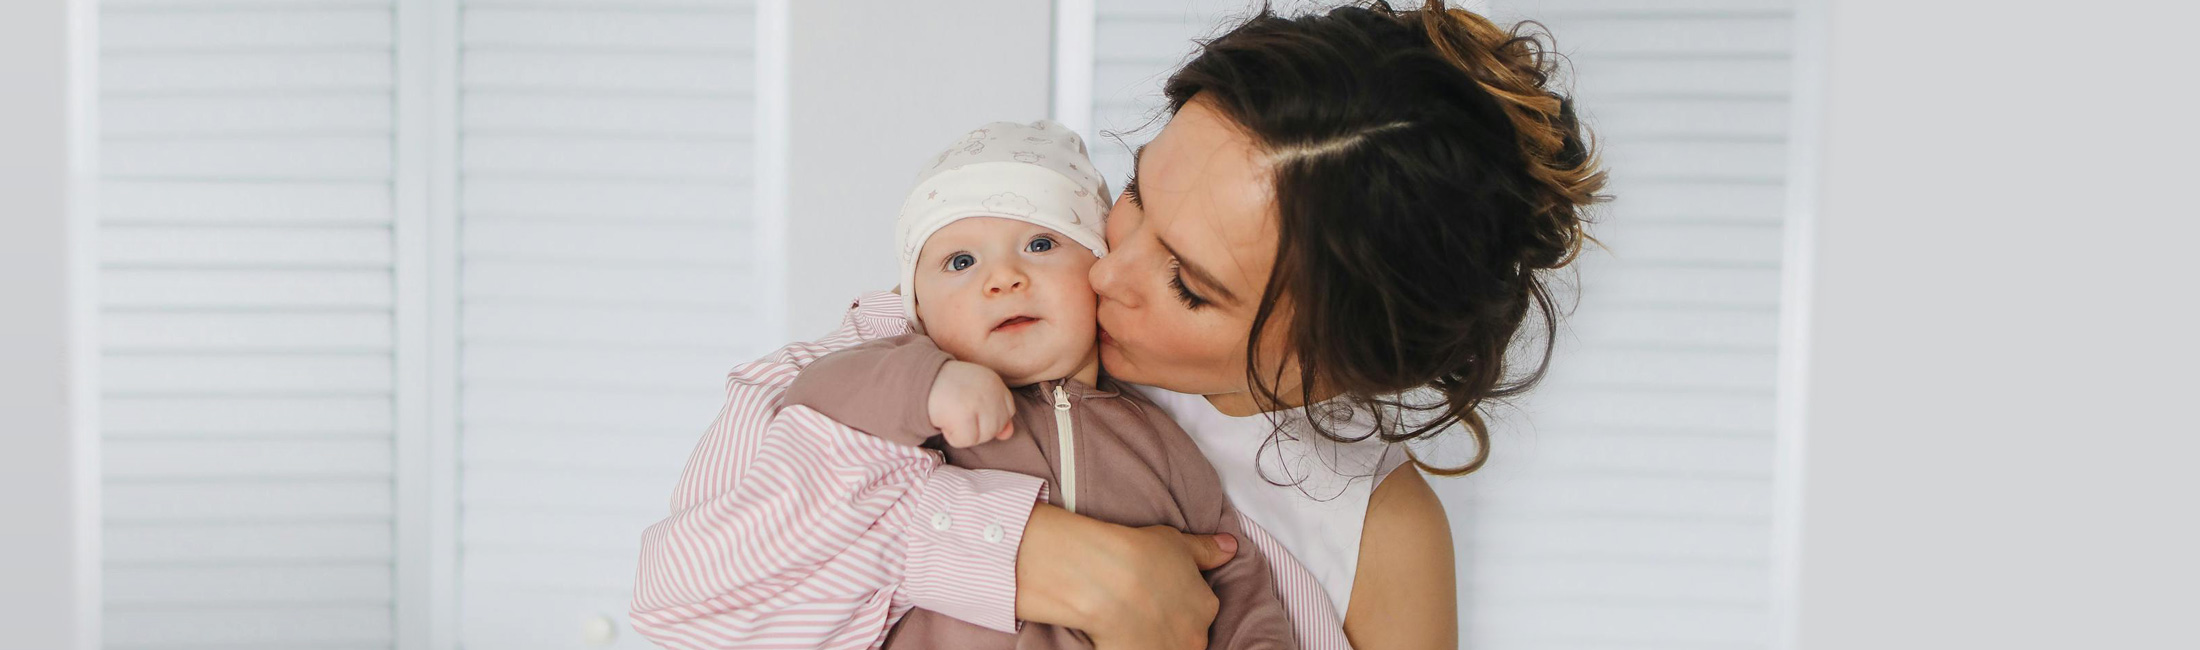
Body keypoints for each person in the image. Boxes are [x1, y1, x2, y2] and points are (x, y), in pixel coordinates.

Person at [633, 2, 1604, 648]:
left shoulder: (1374, 528)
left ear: (1329, 366)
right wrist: (1005, 553)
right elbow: (680, 599)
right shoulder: (919, 345)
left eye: (1187, 284)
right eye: (1135, 193)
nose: (1107, 268)